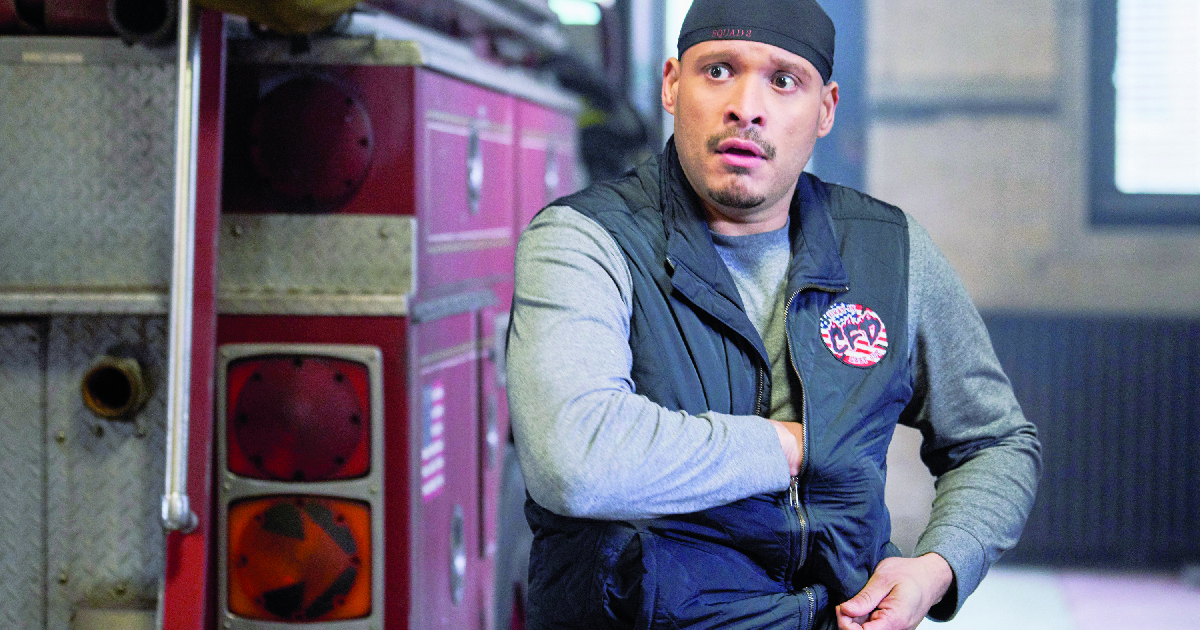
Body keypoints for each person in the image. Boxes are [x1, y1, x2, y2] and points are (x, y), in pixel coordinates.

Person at [505, 1, 1042, 628]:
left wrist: (935, 569)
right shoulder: (583, 241)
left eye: (784, 80)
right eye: (719, 71)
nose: (746, 106)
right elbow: (576, 460)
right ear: (673, 85)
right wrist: (788, 446)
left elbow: (996, 442)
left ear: (825, 110)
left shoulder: (889, 253)